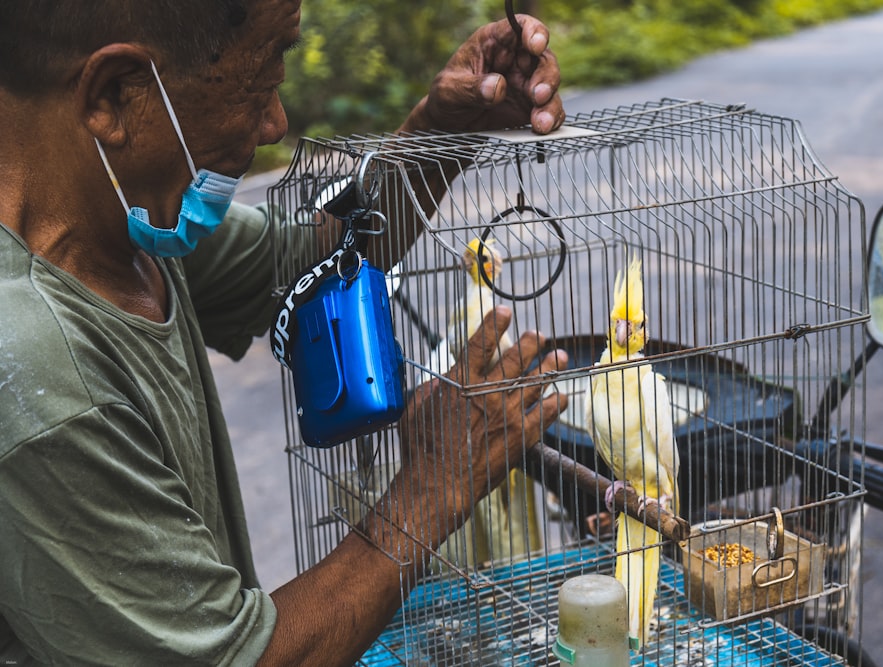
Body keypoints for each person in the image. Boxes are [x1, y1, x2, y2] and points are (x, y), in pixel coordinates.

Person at [0, 1, 568, 664]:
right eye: (259, 84)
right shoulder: (40, 374)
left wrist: (442, 131)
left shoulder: (121, 221)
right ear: (112, 95)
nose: (276, 123)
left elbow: (316, 260)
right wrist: (435, 487)